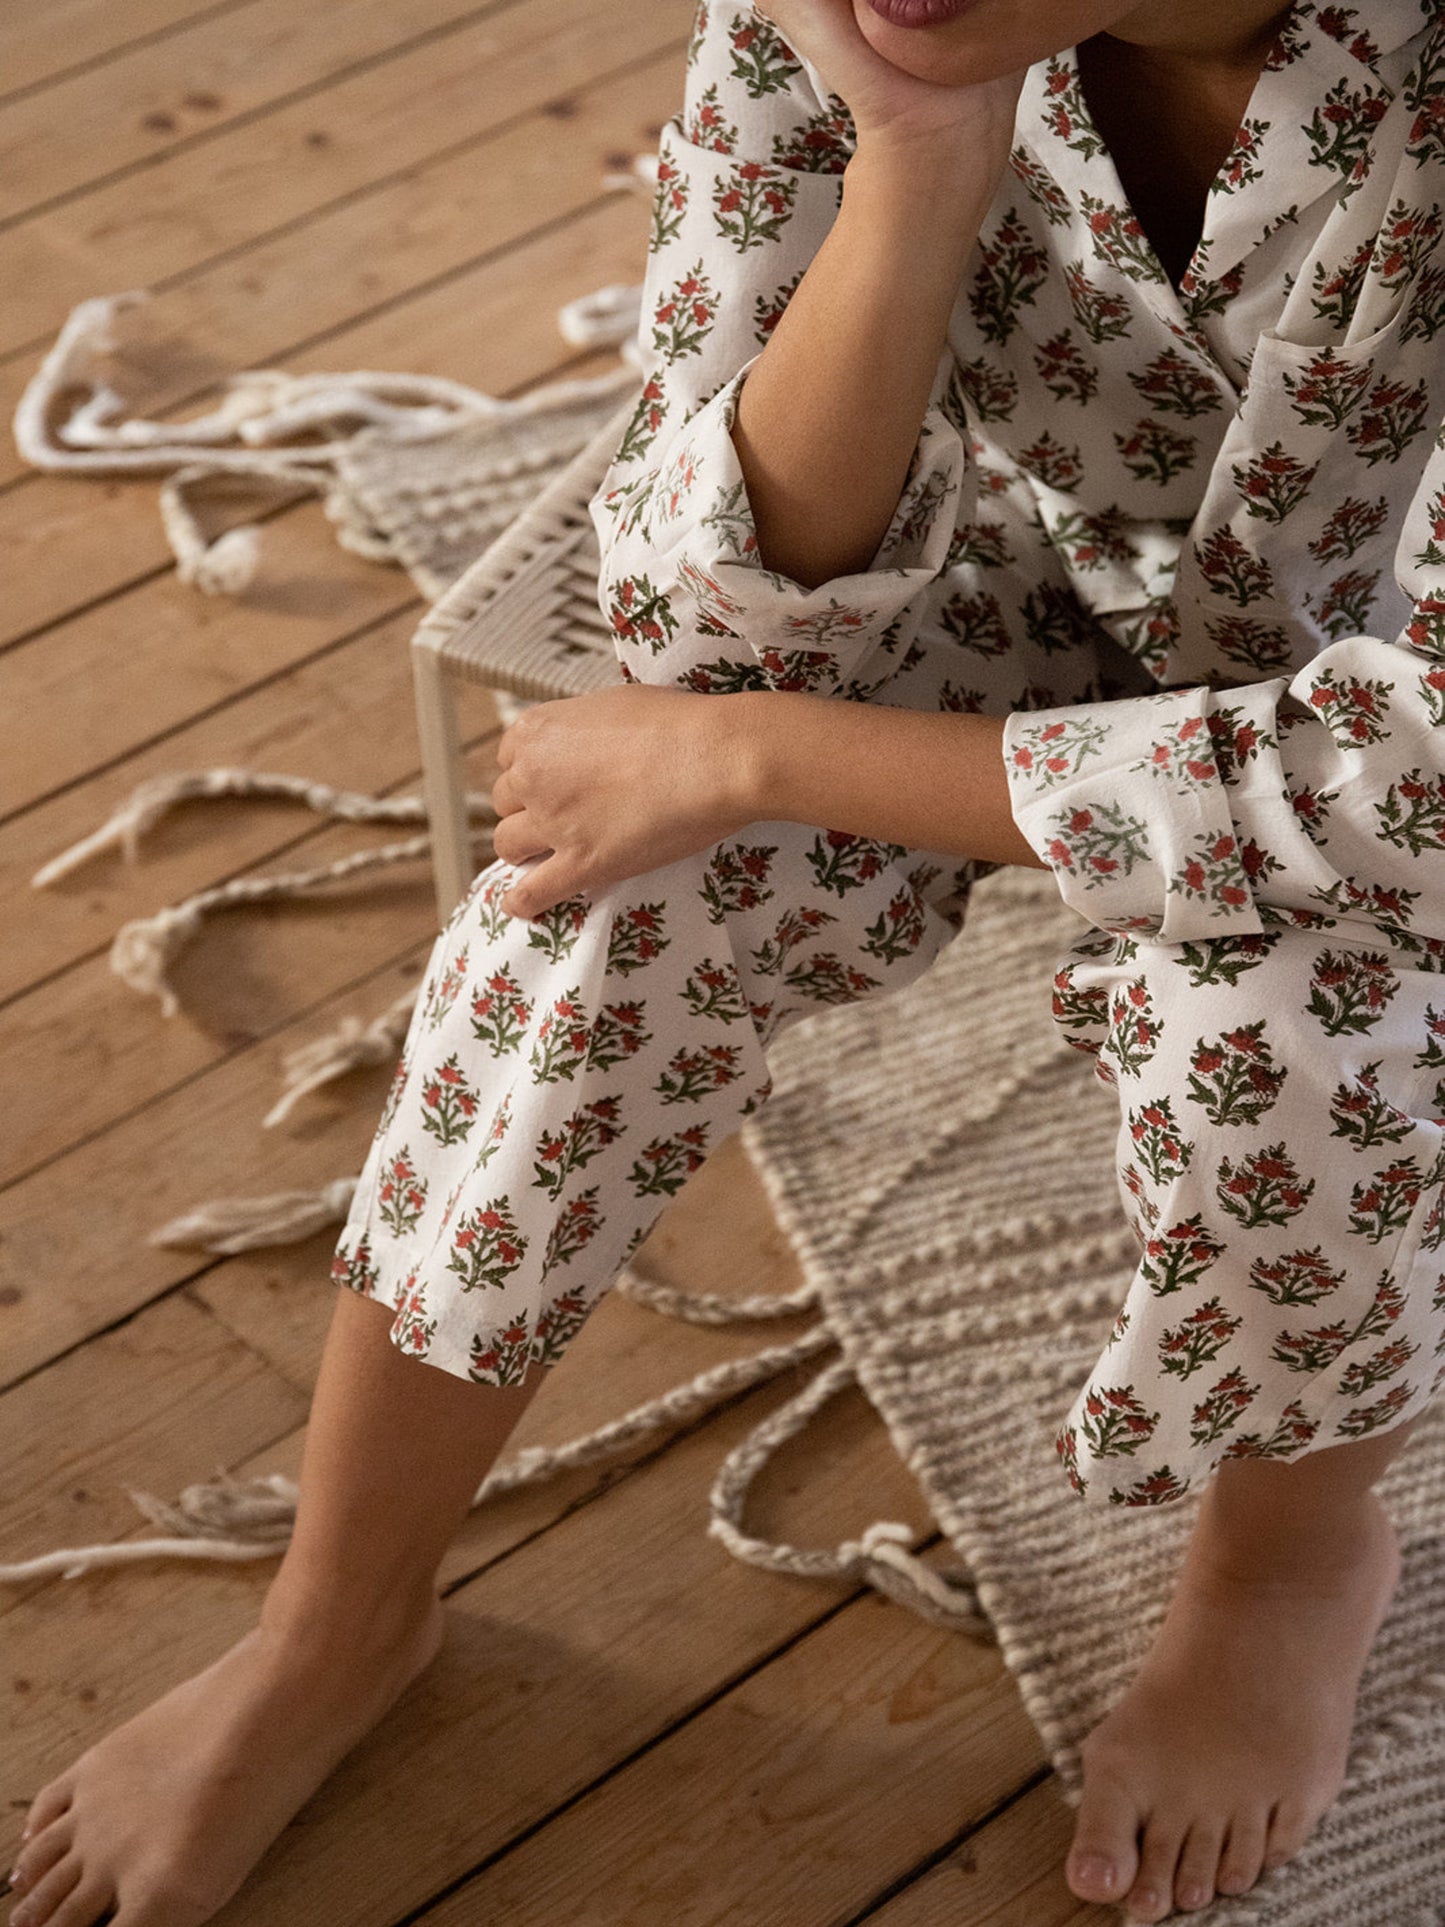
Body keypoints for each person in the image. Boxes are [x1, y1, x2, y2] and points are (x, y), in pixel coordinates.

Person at [10, 0, 1445, 1921]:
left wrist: (759, 755)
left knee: (1294, 1041)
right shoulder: (852, 20)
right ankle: (334, 1618)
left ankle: (1290, 1558)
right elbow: (698, 607)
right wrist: (922, 161)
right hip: (1055, 574)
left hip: (1379, 720)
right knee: (602, 898)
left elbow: (1413, 782)